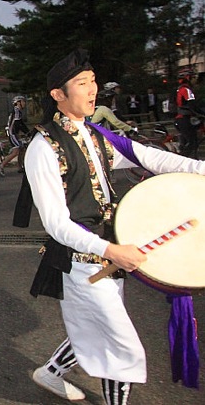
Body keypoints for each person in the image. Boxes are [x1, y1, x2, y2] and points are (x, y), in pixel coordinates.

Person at [21, 49, 205, 404]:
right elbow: (57, 224)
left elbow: (150, 158)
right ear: (58, 96)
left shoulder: (96, 136)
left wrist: (200, 170)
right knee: (117, 345)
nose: (92, 91)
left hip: (112, 254)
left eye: (93, 82)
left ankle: (49, 373)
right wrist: (111, 250)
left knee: (96, 327)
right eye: (82, 84)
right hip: (80, 260)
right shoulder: (43, 148)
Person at [0, 96, 30, 176]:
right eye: (23, 101)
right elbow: (18, 124)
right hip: (12, 132)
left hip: (14, 132)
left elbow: (20, 123)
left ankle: (20, 167)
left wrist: (27, 131)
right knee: (16, 151)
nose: (24, 103)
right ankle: (1, 165)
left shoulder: (17, 111)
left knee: (21, 148)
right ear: (18, 102)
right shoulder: (16, 110)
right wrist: (27, 132)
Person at [174, 75, 200, 159]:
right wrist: (201, 113)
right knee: (192, 142)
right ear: (188, 79)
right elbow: (192, 104)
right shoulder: (186, 90)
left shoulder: (179, 89)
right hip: (185, 118)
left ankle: (191, 159)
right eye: (194, 77)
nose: (195, 79)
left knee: (187, 142)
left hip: (180, 118)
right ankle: (182, 160)